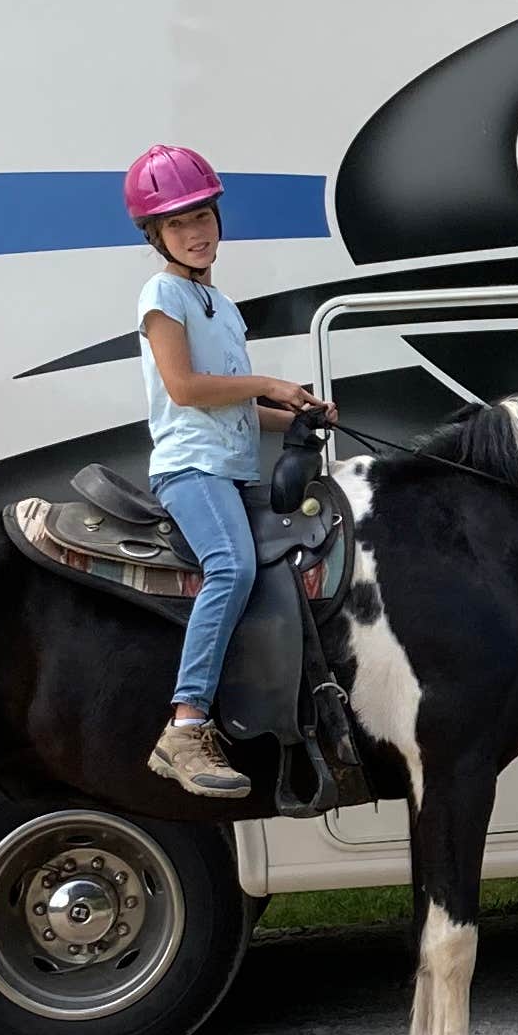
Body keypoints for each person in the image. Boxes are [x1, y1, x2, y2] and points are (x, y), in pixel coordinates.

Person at [126, 144, 313, 799]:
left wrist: (296, 416)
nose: (197, 232)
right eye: (178, 224)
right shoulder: (162, 294)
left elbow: (233, 404)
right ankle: (185, 724)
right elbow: (183, 388)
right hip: (190, 471)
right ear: (155, 236)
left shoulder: (222, 305)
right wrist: (269, 382)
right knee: (230, 566)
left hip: (228, 469)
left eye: (203, 215)